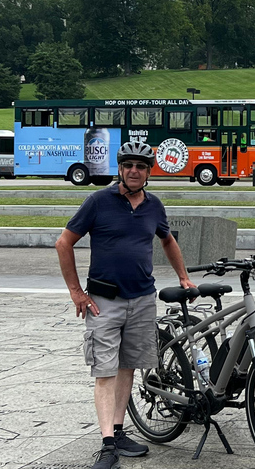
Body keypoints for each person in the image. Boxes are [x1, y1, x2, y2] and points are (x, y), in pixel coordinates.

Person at [56, 141, 195, 469]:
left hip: (143, 299)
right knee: (104, 371)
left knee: (127, 366)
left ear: (149, 172)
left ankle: (117, 431)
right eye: (129, 165)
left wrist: (184, 276)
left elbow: (167, 239)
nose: (134, 171)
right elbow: (64, 243)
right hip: (104, 301)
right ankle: (107, 445)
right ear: (120, 169)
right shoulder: (98, 202)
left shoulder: (154, 206)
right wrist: (77, 292)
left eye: (141, 166)